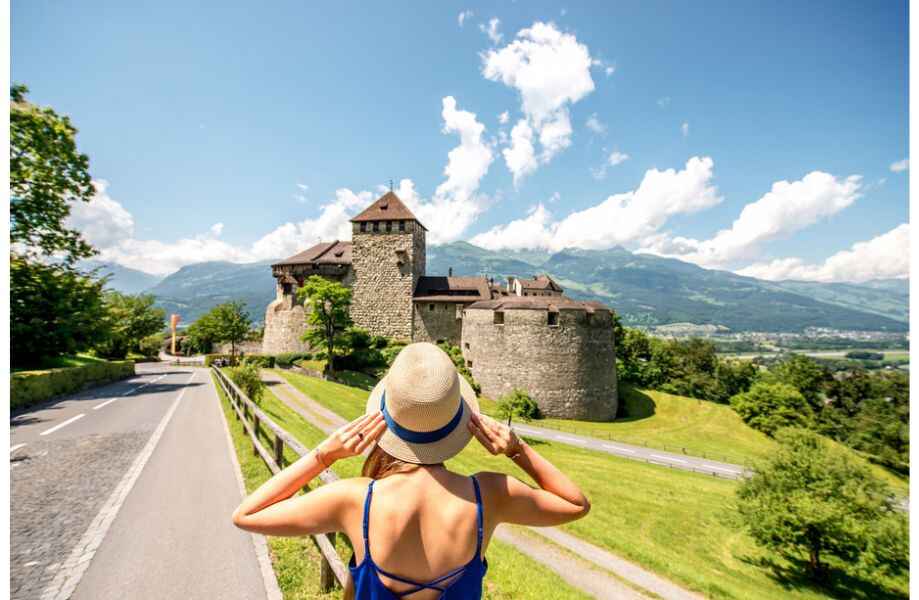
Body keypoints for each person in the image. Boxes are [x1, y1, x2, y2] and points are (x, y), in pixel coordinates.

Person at [232, 342, 590, 599]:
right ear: (459, 420)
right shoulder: (489, 495)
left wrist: (324, 455)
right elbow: (576, 504)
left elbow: (247, 514)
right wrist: (517, 449)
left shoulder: (357, 499)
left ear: (386, 418)